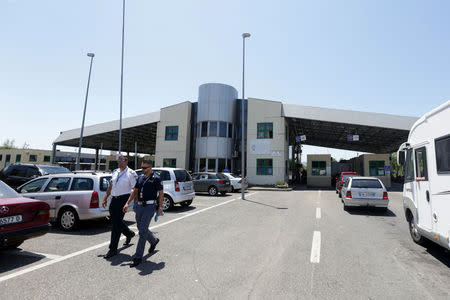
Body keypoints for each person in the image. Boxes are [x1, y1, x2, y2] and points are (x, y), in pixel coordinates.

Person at [123, 160, 163, 267]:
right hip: (140, 206)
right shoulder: (140, 177)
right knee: (141, 227)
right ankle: (153, 240)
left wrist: (160, 207)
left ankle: (137, 256)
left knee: (142, 231)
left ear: (150, 167)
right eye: (142, 168)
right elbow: (135, 191)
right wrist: (128, 203)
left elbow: (161, 193)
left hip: (150, 206)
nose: (142, 170)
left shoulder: (156, 178)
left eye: (144, 168)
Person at [102, 155, 137, 259]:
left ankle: (112, 249)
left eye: (121, 161)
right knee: (115, 221)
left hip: (123, 199)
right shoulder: (115, 171)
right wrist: (105, 198)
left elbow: (135, 189)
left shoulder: (131, 173)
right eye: (118, 161)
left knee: (116, 225)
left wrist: (132, 203)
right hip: (114, 199)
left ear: (126, 162)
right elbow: (111, 186)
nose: (119, 163)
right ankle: (129, 233)